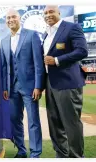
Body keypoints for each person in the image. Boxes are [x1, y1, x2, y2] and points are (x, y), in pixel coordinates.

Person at [42, 5, 88, 158]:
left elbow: (82, 51)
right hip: (50, 83)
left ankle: (75, 157)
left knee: (71, 123)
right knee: (55, 123)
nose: (48, 15)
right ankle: (61, 155)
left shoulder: (72, 27)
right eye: (45, 13)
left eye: (51, 12)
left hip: (67, 82)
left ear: (59, 13)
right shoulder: (45, 34)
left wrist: (56, 60)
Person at [0, 8, 44, 158]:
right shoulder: (4, 40)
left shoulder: (31, 35)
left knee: (33, 120)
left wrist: (38, 86)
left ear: (19, 19)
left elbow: (39, 63)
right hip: (11, 88)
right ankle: (21, 150)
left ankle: (36, 153)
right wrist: (5, 87)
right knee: (14, 119)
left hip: (30, 87)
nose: (11, 20)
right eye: (8, 18)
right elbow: (4, 66)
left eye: (13, 17)